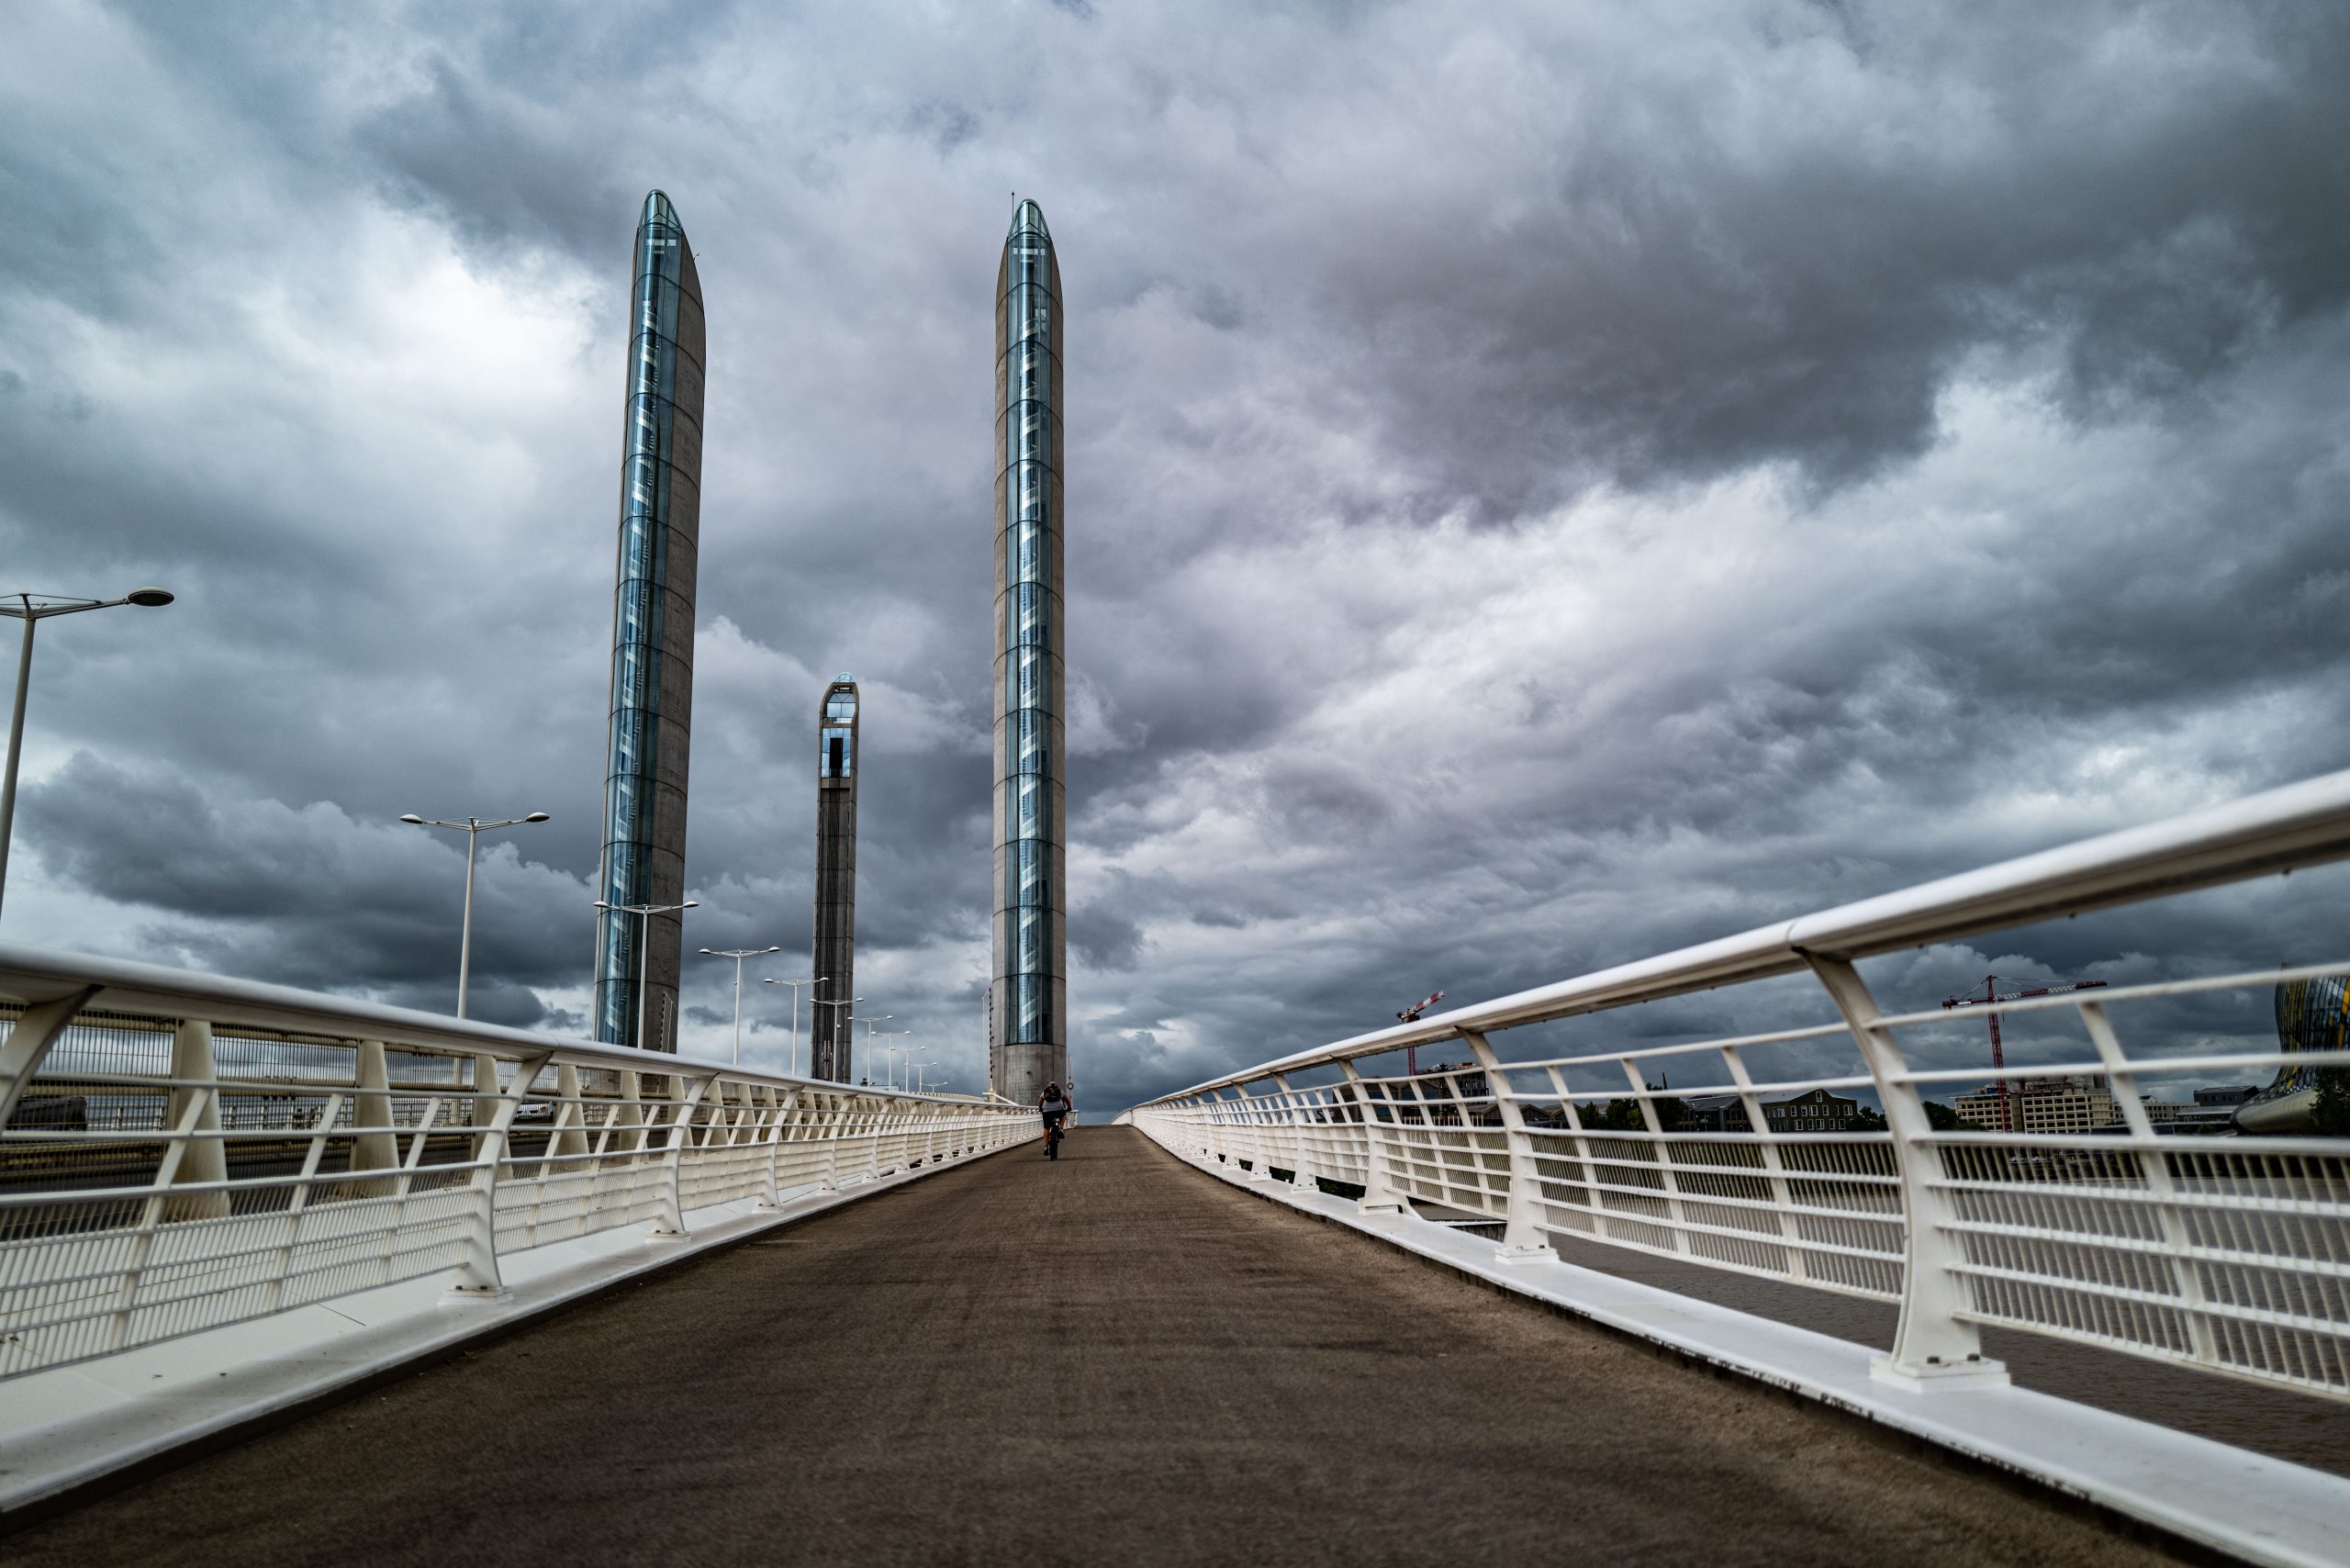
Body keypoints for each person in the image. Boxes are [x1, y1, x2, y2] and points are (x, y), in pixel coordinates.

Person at [1037, 1081, 1073, 1159]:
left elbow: (1040, 1101)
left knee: (1046, 1127)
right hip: (1058, 1109)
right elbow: (1067, 1101)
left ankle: (1046, 1146)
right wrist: (1069, 1107)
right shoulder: (1060, 1091)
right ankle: (1060, 1128)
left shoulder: (1045, 1092)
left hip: (1046, 1111)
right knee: (1063, 1115)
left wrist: (1040, 1108)